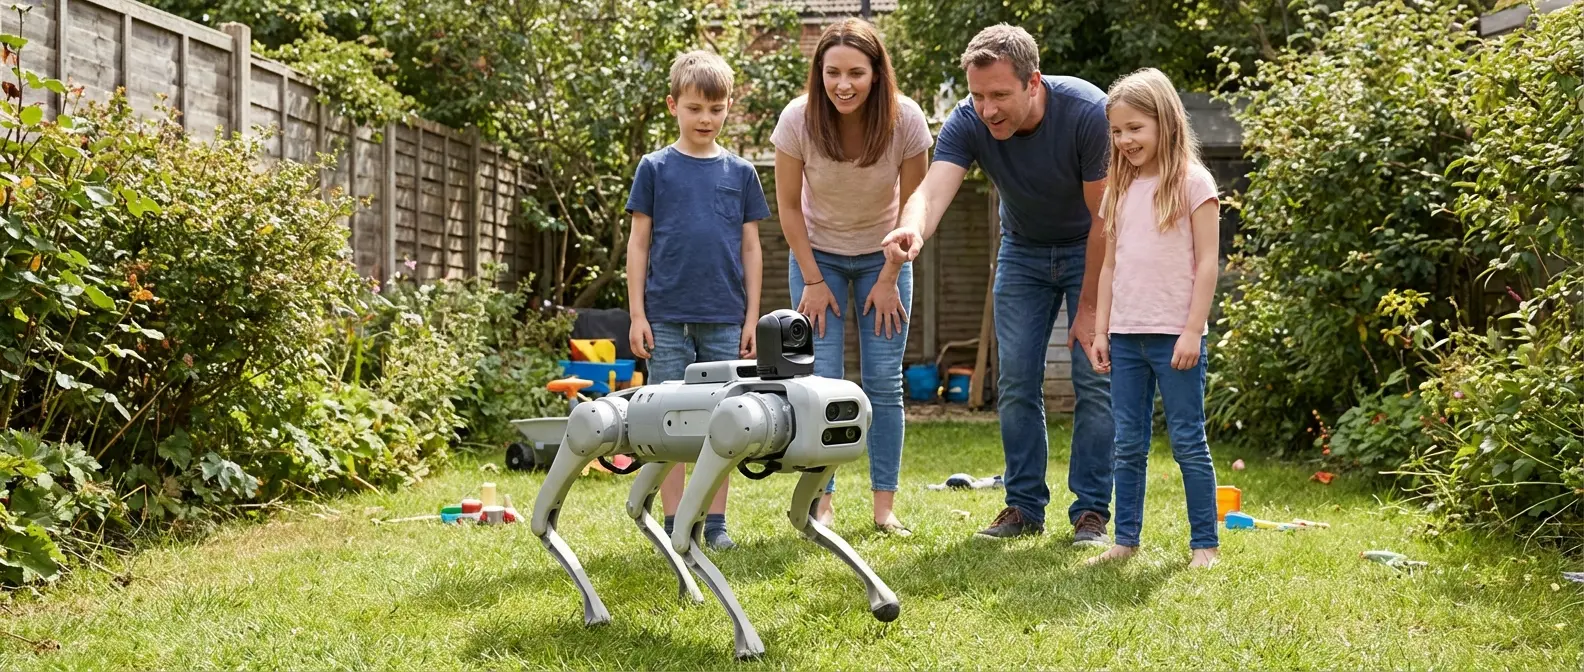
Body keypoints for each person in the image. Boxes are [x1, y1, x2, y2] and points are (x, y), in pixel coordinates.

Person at [881, 24, 1115, 546]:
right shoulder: (968, 120)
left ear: (1033, 82)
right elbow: (932, 191)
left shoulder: (1086, 112)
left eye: (999, 95)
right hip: (1023, 251)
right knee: (1016, 382)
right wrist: (911, 228)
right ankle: (1024, 506)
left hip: (1090, 248)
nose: (987, 110)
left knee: (1095, 379)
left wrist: (1089, 308)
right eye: (978, 95)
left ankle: (1091, 513)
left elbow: (1105, 220)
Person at [770, 18, 931, 536]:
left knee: (884, 382)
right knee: (822, 384)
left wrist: (890, 275)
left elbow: (915, 205)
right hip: (818, 259)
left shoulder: (906, 120)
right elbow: (788, 208)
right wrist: (813, 282)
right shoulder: (797, 119)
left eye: (856, 73)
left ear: (877, 73)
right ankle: (823, 503)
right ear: (818, 73)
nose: (843, 85)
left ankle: (884, 508)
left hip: (886, 257)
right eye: (832, 72)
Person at [625, 50, 771, 551]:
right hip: (665, 317)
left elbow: (751, 248)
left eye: (716, 108)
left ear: (728, 107)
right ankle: (674, 524)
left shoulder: (742, 172)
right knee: (667, 422)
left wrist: (752, 318)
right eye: (694, 108)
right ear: (673, 106)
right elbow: (638, 244)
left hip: (725, 318)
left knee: (724, 422)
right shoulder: (654, 168)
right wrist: (637, 314)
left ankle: (714, 524)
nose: (705, 118)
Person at [1087, 67, 1221, 568]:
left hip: (1175, 338)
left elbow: (1208, 262)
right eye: (1117, 131)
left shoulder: (1193, 183)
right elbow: (1110, 265)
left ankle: (1204, 545)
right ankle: (1125, 540)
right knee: (1128, 445)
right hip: (1125, 336)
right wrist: (1101, 330)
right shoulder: (1120, 189)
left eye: (1135, 128)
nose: (1125, 140)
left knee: (1188, 442)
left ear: (1165, 122)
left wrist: (1192, 330)